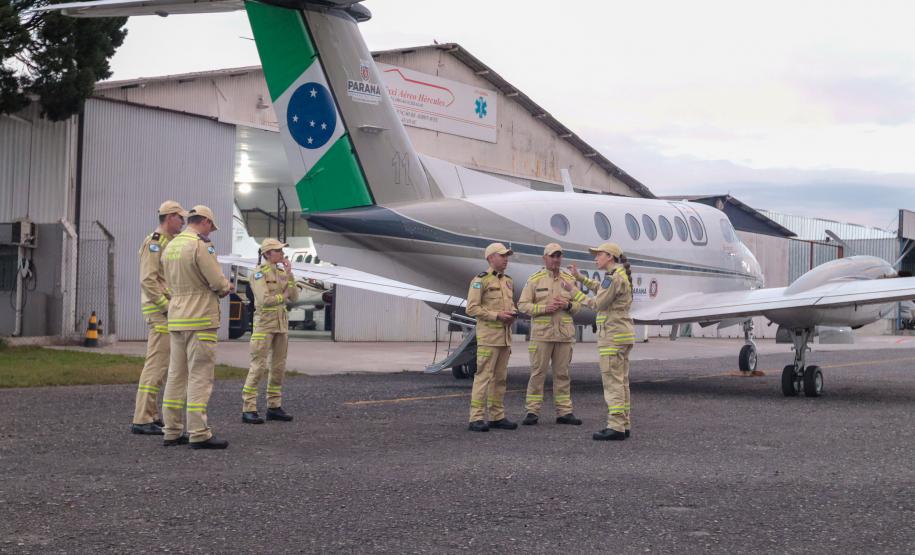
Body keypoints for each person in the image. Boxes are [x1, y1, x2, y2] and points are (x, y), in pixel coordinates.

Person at [160, 205, 233, 449]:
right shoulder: (200, 246)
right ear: (204, 222)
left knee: (175, 375)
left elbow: (167, 281)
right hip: (200, 317)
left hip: (176, 316)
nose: (211, 232)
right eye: (211, 227)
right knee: (200, 376)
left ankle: (171, 430)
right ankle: (199, 433)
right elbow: (216, 281)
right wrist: (226, 287)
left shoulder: (171, 245)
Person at [567, 242, 634, 441]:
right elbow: (600, 289)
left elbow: (597, 303)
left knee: (613, 383)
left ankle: (615, 427)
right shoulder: (617, 276)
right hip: (622, 335)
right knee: (622, 383)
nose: (596, 258)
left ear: (609, 256)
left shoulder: (613, 278)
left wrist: (574, 291)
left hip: (612, 337)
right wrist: (580, 278)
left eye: (598, 255)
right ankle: (624, 423)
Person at [131, 200, 188, 435]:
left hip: (167, 311)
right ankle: (142, 418)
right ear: (169, 217)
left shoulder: (168, 242)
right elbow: (148, 280)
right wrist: (166, 307)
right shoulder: (155, 243)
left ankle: (151, 415)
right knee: (156, 365)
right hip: (160, 312)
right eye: (180, 217)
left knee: (162, 366)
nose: (183, 222)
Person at [517, 243, 586, 426]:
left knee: (562, 374)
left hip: (564, 336)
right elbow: (523, 305)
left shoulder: (569, 279)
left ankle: (564, 412)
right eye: (552, 256)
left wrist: (568, 306)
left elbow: (579, 306)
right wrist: (543, 308)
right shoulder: (535, 279)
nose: (556, 260)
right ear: (545, 258)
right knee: (537, 374)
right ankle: (532, 411)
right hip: (542, 336)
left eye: (558, 256)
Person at [241, 238, 299, 424]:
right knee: (258, 366)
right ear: (267, 254)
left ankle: (274, 406)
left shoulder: (282, 271)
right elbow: (265, 299)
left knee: (278, 367)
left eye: (282, 251)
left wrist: (290, 275)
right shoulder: (258, 273)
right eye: (278, 251)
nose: (282, 254)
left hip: (281, 325)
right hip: (264, 325)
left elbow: (295, 297)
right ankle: (248, 408)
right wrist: (283, 296)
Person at [465, 242, 518, 432]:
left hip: (504, 337)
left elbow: (509, 304)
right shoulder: (481, 280)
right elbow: (471, 308)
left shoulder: (507, 281)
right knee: (483, 377)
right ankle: (476, 417)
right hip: (489, 336)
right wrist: (497, 316)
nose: (506, 259)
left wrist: (512, 313)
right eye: (502, 255)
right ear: (490, 258)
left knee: (500, 378)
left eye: (506, 256)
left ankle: (497, 416)